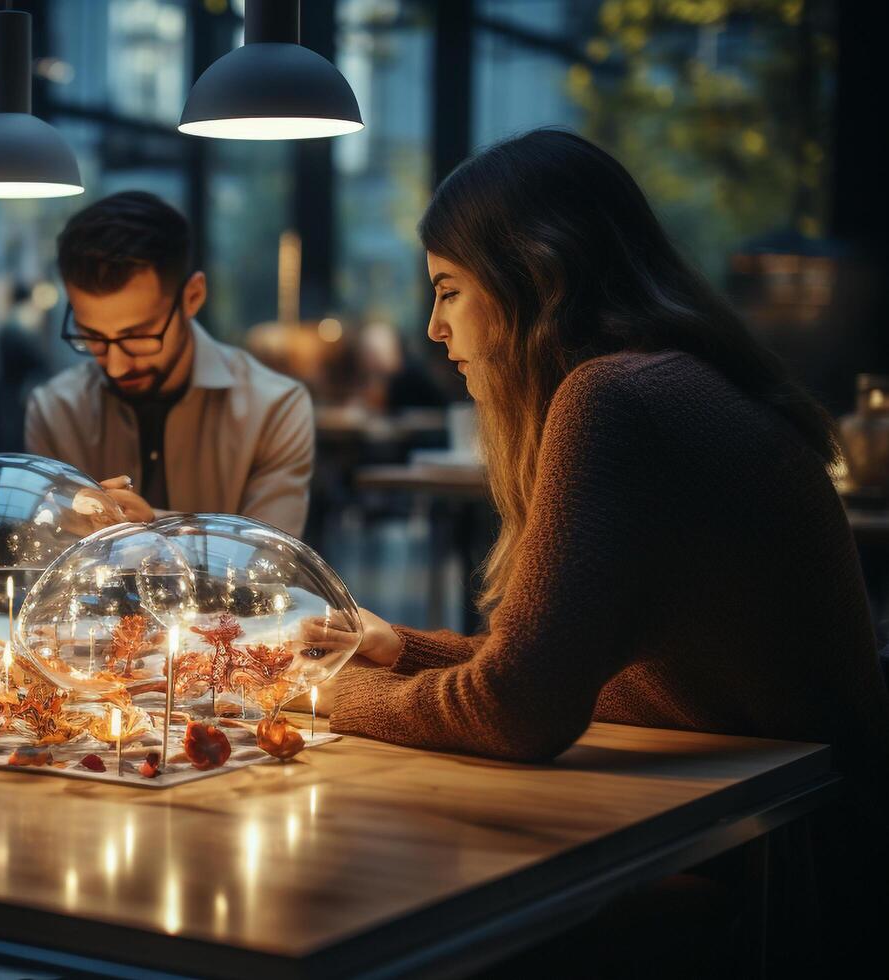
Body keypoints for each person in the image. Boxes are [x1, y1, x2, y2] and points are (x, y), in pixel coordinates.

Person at [317, 129, 889, 975]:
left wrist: (317, 692)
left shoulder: (613, 397)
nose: (433, 328)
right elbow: (570, 670)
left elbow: (519, 712)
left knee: (372, 900)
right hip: (799, 838)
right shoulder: (673, 381)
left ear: (532, 276)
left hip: (781, 880)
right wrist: (399, 651)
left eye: (448, 290)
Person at [24, 191, 314, 536]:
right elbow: (47, 558)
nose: (115, 366)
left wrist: (154, 526)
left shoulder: (275, 409)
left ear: (192, 297)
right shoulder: (56, 410)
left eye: (137, 336)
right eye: (92, 336)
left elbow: (272, 562)